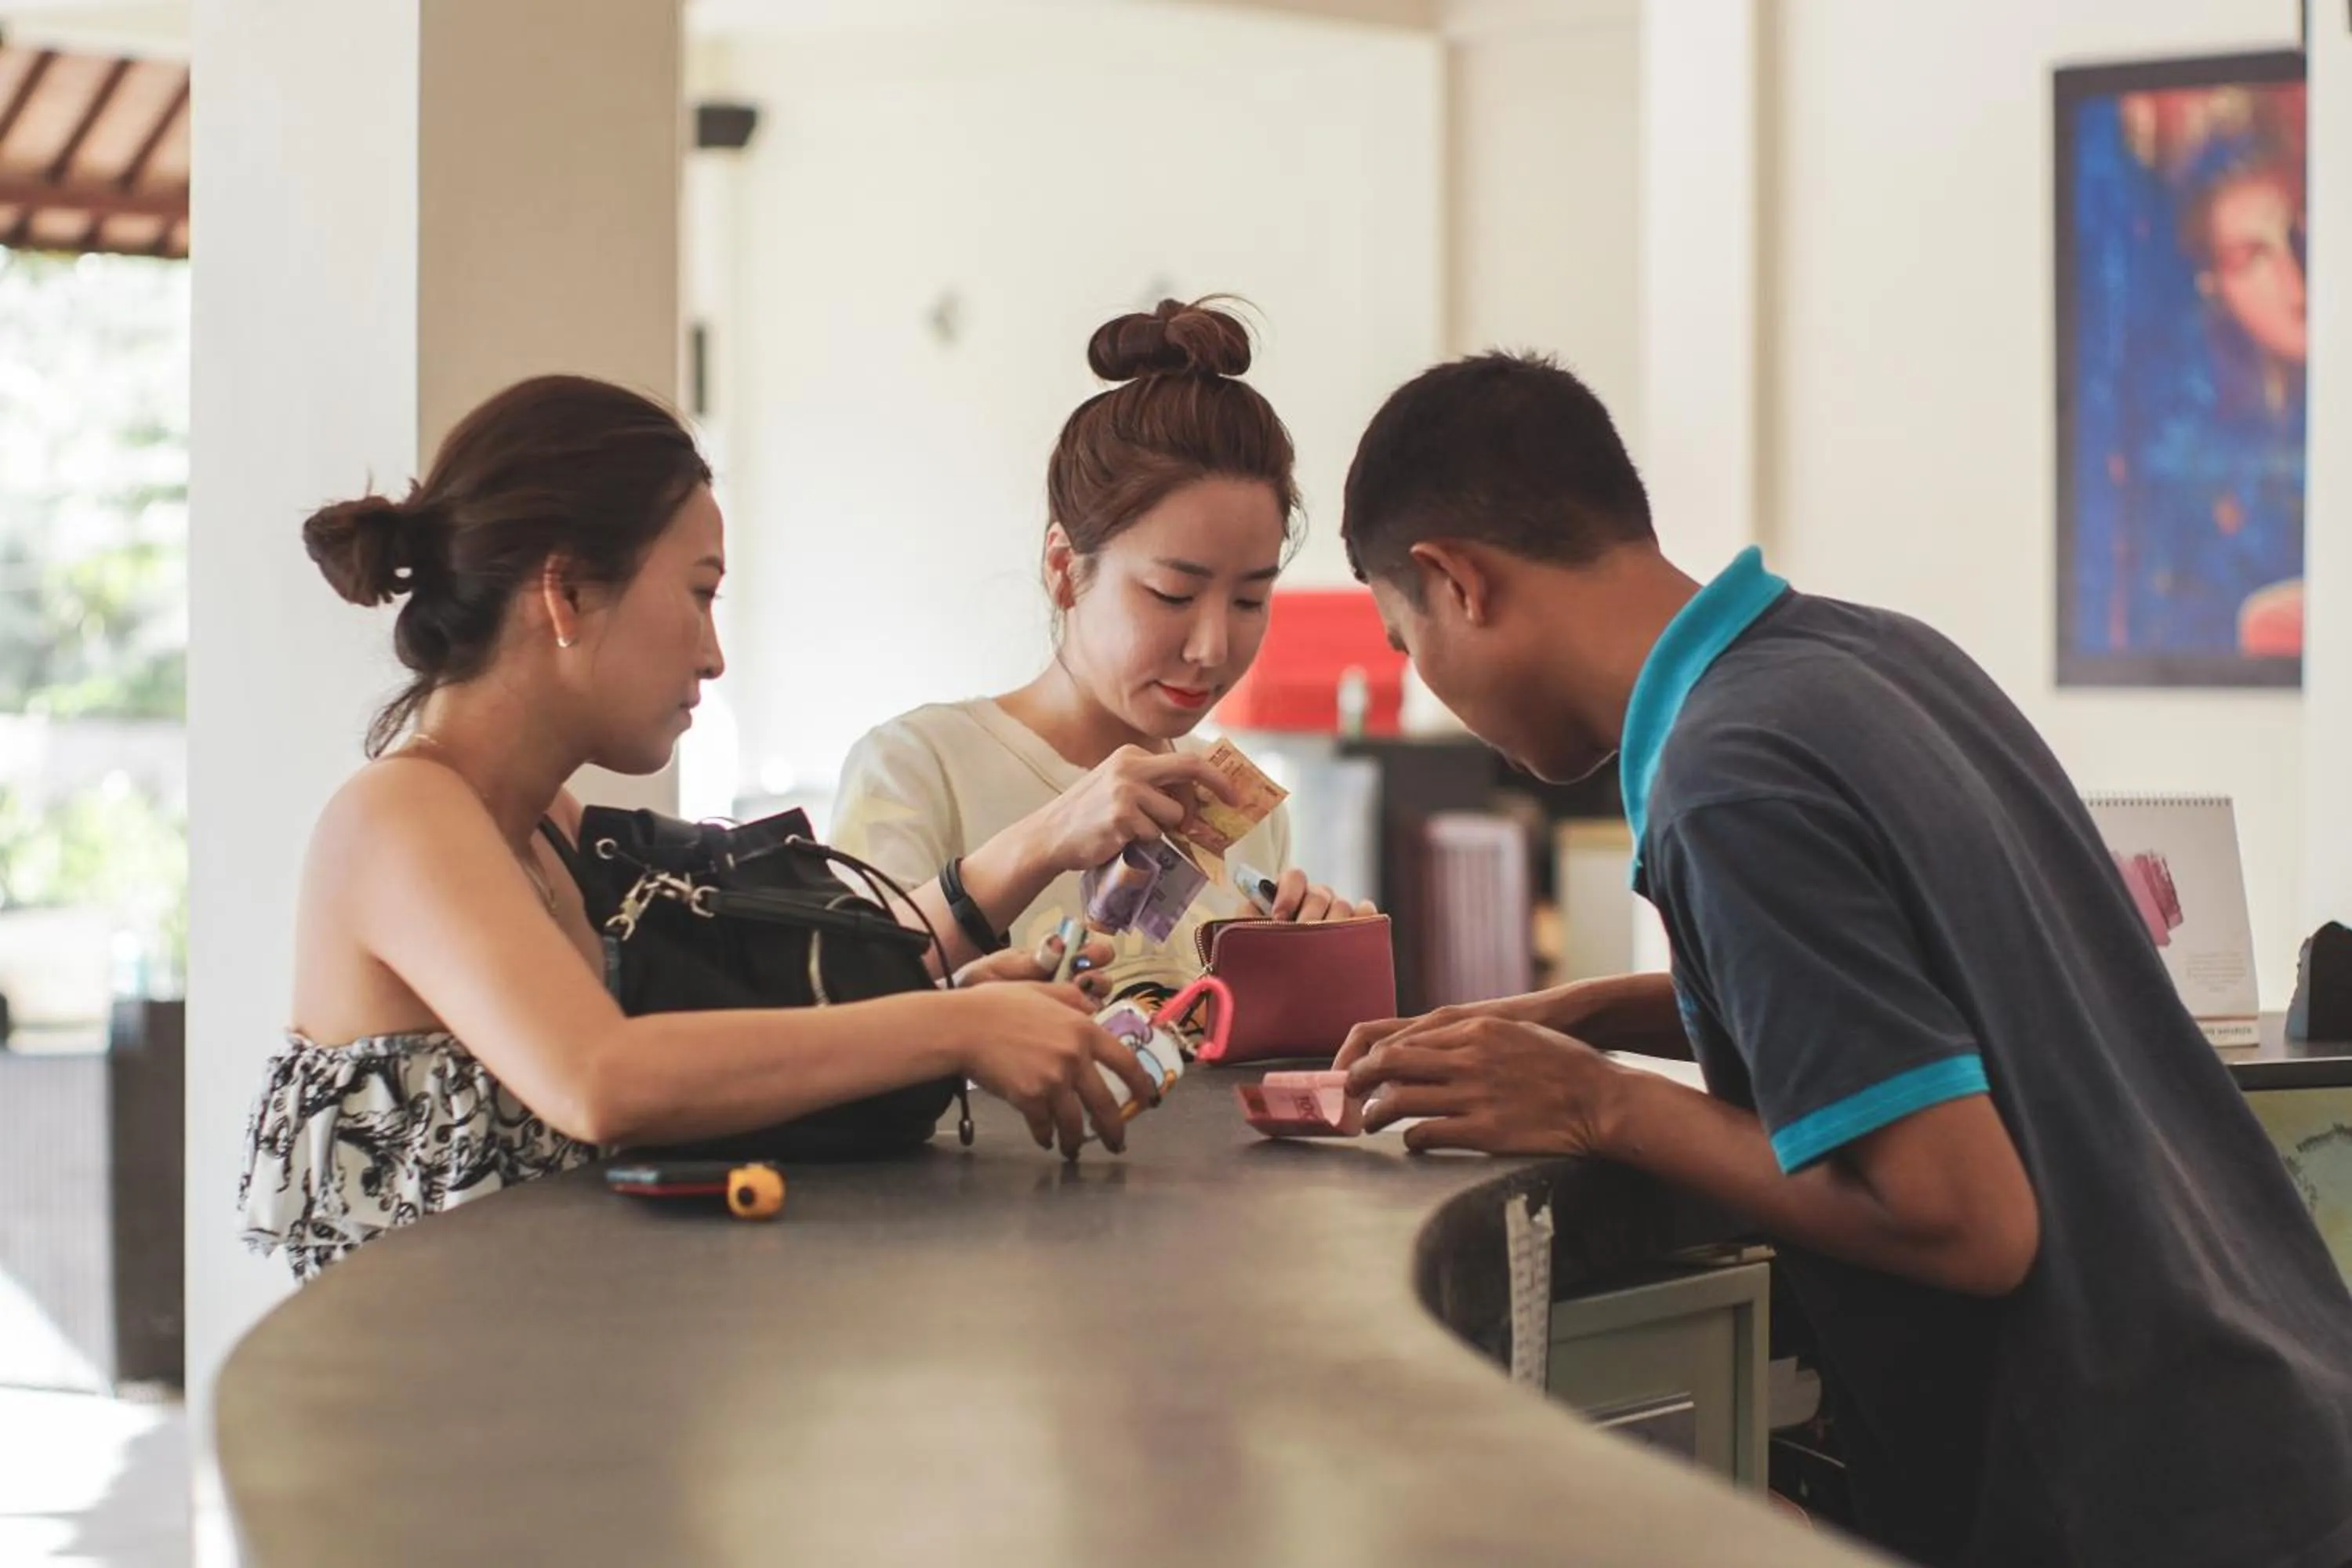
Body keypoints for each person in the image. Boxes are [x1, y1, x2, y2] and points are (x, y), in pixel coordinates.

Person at [1333, 352, 2352, 1567]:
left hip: (2136, 1503)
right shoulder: (1874, 659)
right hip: (2282, 1413)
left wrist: (1597, 1106)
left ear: (1455, 580)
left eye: (1404, 641)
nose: (1428, 687)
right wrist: (1597, 1013)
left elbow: (1968, 1219)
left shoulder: (1725, 783)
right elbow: (1944, 987)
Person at [239, 375, 1156, 1283]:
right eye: (699, 592)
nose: (714, 654)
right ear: (565, 592)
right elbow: (603, 1077)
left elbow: (741, 995)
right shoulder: (399, 816)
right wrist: (951, 1026)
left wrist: (954, 993)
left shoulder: (544, 827)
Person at [831, 299, 1370, 1010]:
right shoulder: (918, 766)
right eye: (1173, 595)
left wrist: (1315, 986)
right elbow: (836, 1012)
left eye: (1248, 602)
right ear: (1064, 567)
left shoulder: (1243, 811)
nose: (1212, 649)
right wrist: (1047, 839)